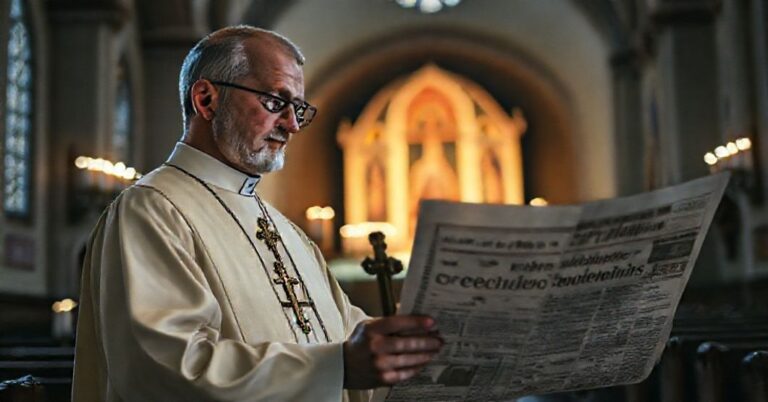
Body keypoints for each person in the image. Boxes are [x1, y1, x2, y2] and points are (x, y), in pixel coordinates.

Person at [72, 25, 443, 402]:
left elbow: (351, 340)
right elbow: (163, 369)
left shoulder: (288, 232)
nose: (292, 124)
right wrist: (337, 366)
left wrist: (424, 352)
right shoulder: (151, 210)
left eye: (298, 107)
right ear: (206, 99)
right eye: (275, 102)